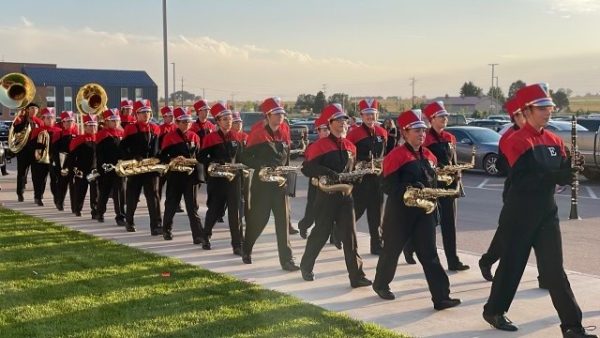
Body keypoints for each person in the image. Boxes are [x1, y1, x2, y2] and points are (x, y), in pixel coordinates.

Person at [482, 84, 596, 338]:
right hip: (519, 214)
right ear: (527, 110)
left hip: (546, 213)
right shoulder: (515, 141)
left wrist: (571, 171)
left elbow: (562, 167)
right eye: (543, 108)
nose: (548, 112)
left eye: (550, 107)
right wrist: (556, 176)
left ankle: (572, 327)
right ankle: (493, 311)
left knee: (555, 271)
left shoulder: (554, 139)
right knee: (512, 266)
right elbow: (523, 181)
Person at [372, 109, 461, 310]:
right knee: (391, 252)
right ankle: (381, 284)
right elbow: (386, 186)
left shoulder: (430, 156)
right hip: (399, 214)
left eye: (423, 130)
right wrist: (408, 189)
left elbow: (432, 180)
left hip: (424, 214)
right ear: (404, 132)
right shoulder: (396, 156)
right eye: (416, 130)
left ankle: (442, 297)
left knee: (430, 255)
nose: (421, 134)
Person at [299, 103, 371, 288]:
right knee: (321, 233)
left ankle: (356, 276)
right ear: (329, 124)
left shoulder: (350, 147)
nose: (342, 124)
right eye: (338, 120)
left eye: (344, 120)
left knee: (350, 236)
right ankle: (306, 266)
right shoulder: (320, 145)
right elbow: (307, 168)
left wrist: (357, 177)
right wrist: (326, 171)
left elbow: (351, 169)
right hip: (326, 197)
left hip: (346, 198)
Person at [478, 96, 545, 284]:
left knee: (542, 231)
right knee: (507, 231)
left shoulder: (537, 134)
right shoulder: (509, 138)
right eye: (517, 115)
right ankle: (487, 260)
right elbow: (501, 165)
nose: (522, 117)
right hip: (516, 191)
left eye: (524, 112)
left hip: (539, 192)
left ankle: (545, 275)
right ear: (513, 118)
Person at [404, 101, 469, 271]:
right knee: (429, 222)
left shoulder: (450, 137)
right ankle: (409, 245)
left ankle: (453, 260)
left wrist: (457, 173)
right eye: (441, 116)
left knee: (449, 224)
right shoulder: (426, 139)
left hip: (449, 186)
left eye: (446, 116)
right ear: (432, 119)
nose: (445, 119)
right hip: (433, 184)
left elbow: (452, 159)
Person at [240, 97, 299, 271]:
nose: (281, 116)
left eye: (282, 113)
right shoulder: (258, 133)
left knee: (283, 223)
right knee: (259, 221)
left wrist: (287, 178)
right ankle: (247, 247)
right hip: (262, 185)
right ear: (268, 115)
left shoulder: (285, 130)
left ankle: (287, 260)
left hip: (279, 185)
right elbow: (245, 157)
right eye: (277, 113)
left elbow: (286, 156)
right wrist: (261, 166)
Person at [199, 102, 245, 254]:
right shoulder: (210, 138)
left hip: (234, 180)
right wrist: (213, 161)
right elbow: (201, 157)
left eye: (230, 118)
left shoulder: (236, 137)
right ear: (218, 121)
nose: (228, 121)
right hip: (218, 180)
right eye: (225, 119)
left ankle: (237, 244)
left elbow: (241, 158)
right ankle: (205, 236)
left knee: (235, 213)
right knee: (214, 210)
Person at [346, 98, 387, 255]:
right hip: (361, 181)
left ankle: (376, 245)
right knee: (356, 212)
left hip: (377, 180)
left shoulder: (383, 133)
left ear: (377, 115)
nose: (370, 117)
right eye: (367, 114)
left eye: (373, 114)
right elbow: (348, 156)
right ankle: (337, 232)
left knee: (376, 216)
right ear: (361, 115)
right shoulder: (354, 134)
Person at [160, 107, 207, 245]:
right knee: (171, 205)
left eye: (188, 121)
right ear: (177, 122)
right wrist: (174, 159)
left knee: (192, 207)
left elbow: (198, 156)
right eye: (183, 121)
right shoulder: (169, 137)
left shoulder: (195, 136)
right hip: (175, 176)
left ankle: (198, 235)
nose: (187, 124)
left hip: (190, 177)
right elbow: (163, 156)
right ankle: (166, 230)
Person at [120, 99, 162, 235]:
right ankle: (129, 221)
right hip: (136, 168)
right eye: (143, 112)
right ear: (136, 114)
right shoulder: (130, 129)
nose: (146, 115)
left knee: (154, 196)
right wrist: (133, 156)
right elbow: (122, 149)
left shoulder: (156, 128)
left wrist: (159, 159)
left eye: (148, 112)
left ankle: (156, 226)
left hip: (151, 168)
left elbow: (159, 147)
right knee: (133, 196)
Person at [297, 116, 330, 239]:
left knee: (330, 210)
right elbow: (307, 167)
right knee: (312, 210)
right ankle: (304, 225)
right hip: (316, 183)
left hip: (331, 183)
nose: (327, 132)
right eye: (324, 129)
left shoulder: (336, 145)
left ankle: (333, 236)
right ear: (318, 131)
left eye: (329, 129)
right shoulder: (313, 146)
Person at [95, 108, 126, 225]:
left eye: (117, 120)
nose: (116, 122)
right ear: (106, 121)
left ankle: (120, 216)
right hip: (106, 169)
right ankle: (100, 212)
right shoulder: (102, 135)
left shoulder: (122, 133)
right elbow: (99, 154)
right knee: (104, 192)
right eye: (113, 120)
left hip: (120, 168)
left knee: (120, 192)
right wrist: (103, 166)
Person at [65, 114, 98, 218]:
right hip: (82, 170)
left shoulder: (98, 139)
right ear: (85, 126)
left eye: (94, 125)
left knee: (95, 192)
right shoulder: (78, 140)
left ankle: (95, 211)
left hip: (94, 171)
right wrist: (73, 169)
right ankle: (77, 209)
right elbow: (71, 157)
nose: (93, 128)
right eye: (90, 125)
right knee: (80, 191)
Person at [30, 107, 61, 206]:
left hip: (53, 159)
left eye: (51, 117)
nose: (49, 119)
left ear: (54, 119)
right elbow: (31, 146)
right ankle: (38, 197)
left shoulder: (59, 131)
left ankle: (57, 198)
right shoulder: (37, 131)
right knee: (39, 179)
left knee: (55, 179)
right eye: (47, 118)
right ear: (43, 119)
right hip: (40, 160)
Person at [13, 102, 43, 202]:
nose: (34, 110)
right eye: (32, 108)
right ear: (28, 110)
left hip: (35, 152)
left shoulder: (40, 122)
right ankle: (20, 193)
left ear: (38, 111)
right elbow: (16, 130)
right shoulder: (21, 120)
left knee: (36, 175)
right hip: (23, 151)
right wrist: (22, 119)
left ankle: (37, 196)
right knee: (21, 173)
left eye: (36, 109)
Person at [51, 111, 79, 212]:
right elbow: (54, 151)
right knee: (62, 184)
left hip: (75, 163)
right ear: (62, 123)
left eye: (71, 121)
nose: (69, 123)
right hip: (63, 163)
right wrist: (58, 165)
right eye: (66, 121)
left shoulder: (78, 134)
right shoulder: (59, 134)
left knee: (74, 186)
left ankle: (75, 207)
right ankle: (60, 202)